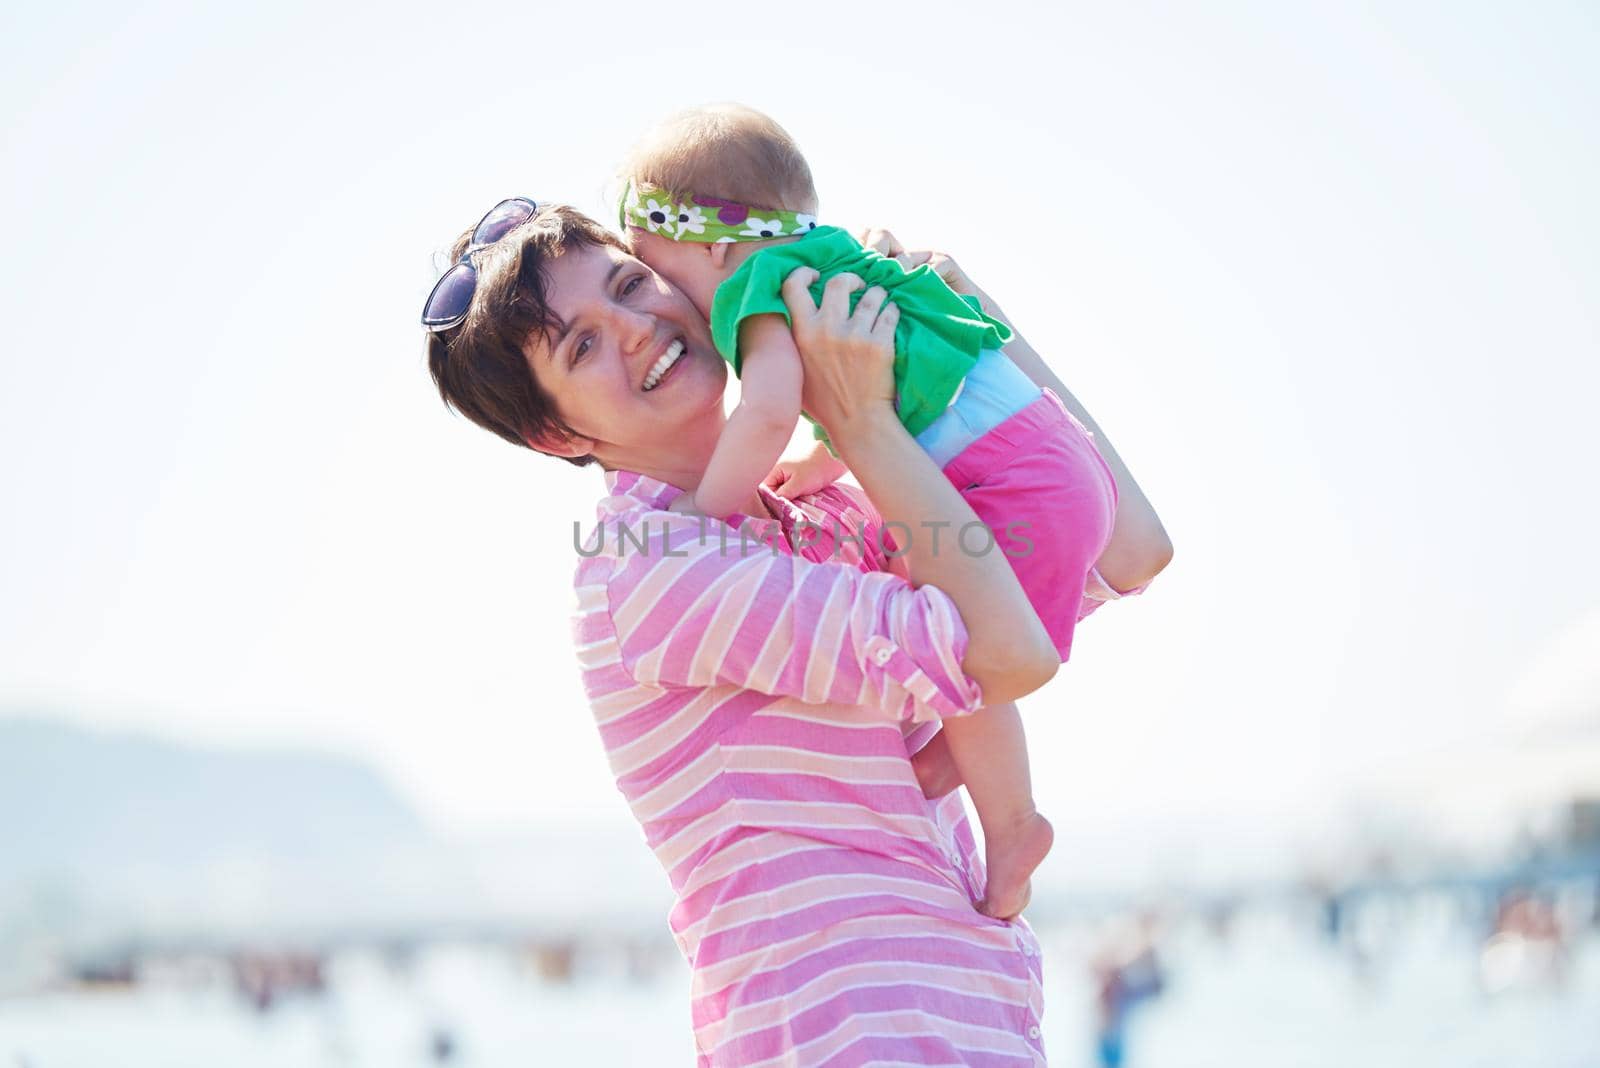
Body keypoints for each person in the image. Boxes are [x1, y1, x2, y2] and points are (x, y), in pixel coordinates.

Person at [421, 198, 1170, 1065]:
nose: (632, 327)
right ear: (558, 432)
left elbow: (1129, 545)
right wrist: (860, 419)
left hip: (975, 1022)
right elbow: (1002, 653)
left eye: (631, 284)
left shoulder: (820, 516)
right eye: (581, 344)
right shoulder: (648, 565)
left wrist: (967, 324)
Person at [615, 103, 1138, 918]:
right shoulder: (840, 264)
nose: (669, 306)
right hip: (1055, 453)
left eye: (661, 273)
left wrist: (705, 508)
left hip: (1007, 483)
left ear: (712, 246)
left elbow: (770, 410)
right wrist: (822, 462)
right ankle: (948, 778)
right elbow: (876, 403)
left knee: (963, 646)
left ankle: (1012, 824)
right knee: (947, 641)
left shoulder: (754, 288)